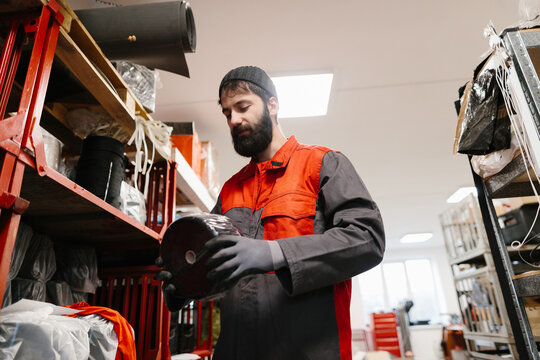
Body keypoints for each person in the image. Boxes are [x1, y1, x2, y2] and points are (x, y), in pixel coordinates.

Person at [165, 66, 385, 360]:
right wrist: (185, 285)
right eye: (227, 113)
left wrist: (276, 253)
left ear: (272, 104)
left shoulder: (323, 165)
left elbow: (367, 238)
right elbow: (216, 268)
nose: (234, 120)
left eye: (243, 107)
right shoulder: (231, 189)